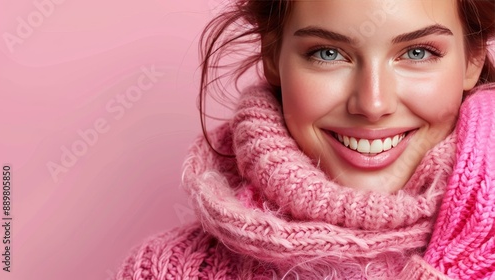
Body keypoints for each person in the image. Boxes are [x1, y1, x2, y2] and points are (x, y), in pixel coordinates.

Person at [115, 0, 495, 279]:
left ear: (473, 59)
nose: (373, 104)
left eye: (417, 52)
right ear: (272, 55)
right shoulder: (167, 270)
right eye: (328, 53)